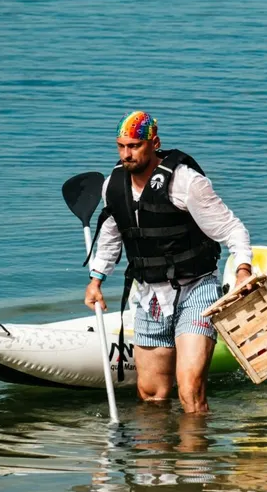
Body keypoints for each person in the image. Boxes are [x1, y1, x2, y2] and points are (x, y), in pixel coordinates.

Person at [85, 111, 252, 413]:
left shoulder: (186, 182)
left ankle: (195, 444)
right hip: (149, 295)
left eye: (134, 146)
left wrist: (242, 270)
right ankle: (159, 445)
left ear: (155, 143)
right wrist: (96, 280)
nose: (127, 154)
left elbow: (232, 229)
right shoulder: (113, 186)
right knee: (152, 395)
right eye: (121, 146)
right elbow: (111, 236)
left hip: (196, 289)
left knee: (190, 391)